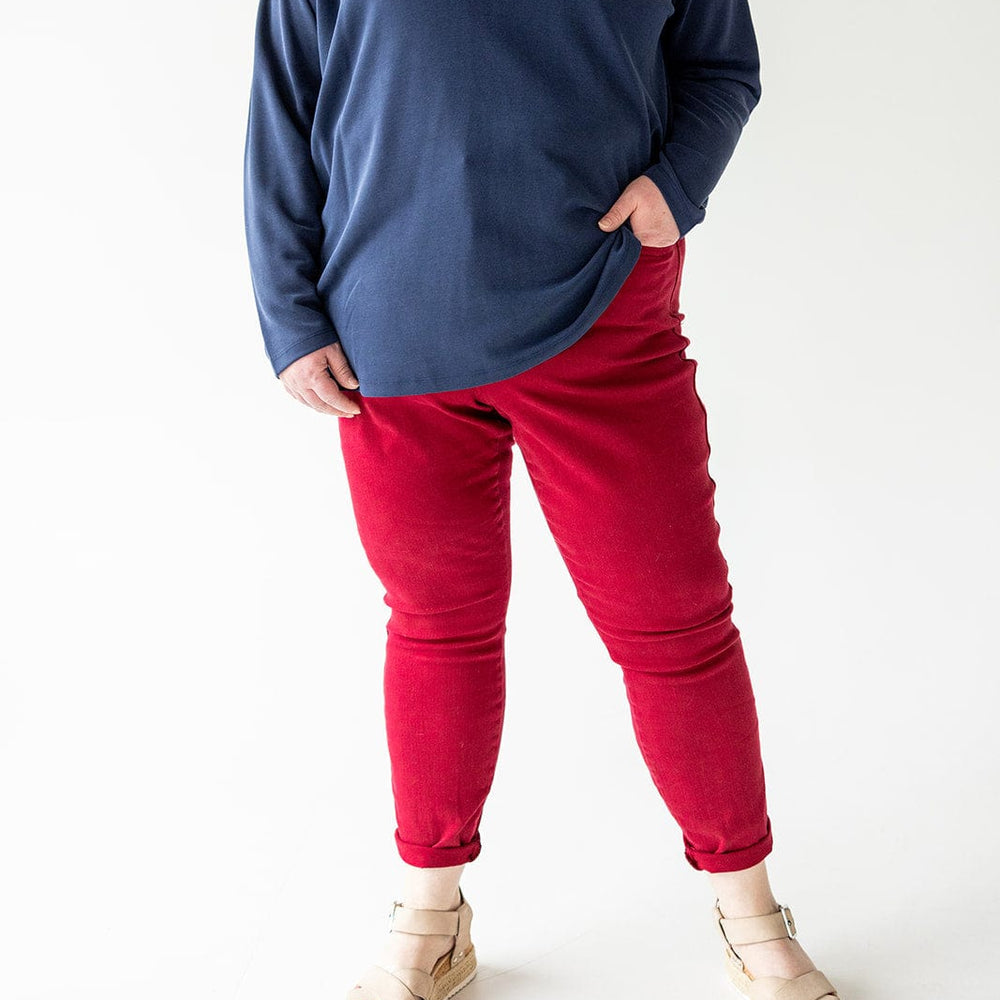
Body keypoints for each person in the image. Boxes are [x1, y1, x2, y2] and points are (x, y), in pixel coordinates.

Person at [243, 3, 842, 1000]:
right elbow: (286, 105)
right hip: (391, 325)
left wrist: (674, 186)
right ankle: (430, 920)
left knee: (675, 625)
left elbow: (720, 66)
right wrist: (287, 311)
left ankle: (752, 914)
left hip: (600, 306)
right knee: (436, 626)